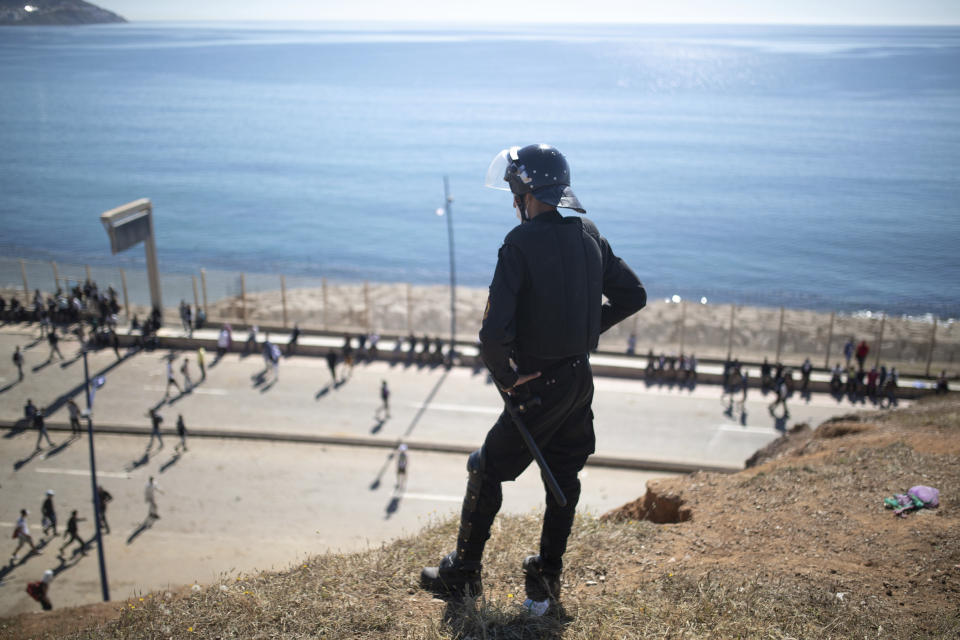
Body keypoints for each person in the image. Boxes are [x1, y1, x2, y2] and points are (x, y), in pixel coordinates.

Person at [421, 144, 646, 614]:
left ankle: (462, 574)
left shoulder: (518, 243)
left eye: (513, 189)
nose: (512, 198)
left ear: (525, 191)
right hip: (578, 379)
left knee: (486, 468)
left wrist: (509, 378)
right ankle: (545, 577)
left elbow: (492, 335)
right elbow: (633, 295)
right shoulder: (588, 232)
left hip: (539, 385)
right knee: (564, 472)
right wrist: (584, 331)